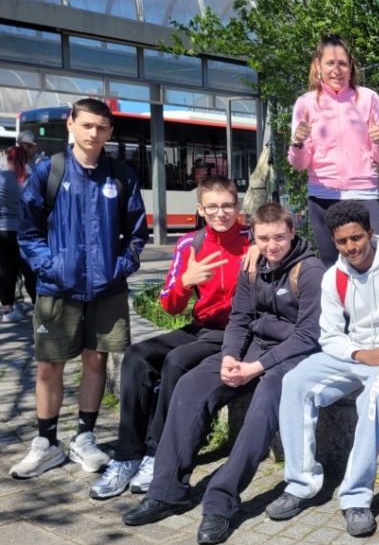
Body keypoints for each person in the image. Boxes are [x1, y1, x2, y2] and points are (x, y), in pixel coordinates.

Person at [121, 203, 324, 545]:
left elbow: (308, 335)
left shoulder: (310, 271)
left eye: (279, 237)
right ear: (254, 237)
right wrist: (230, 356)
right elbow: (240, 319)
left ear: (292, 232)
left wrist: (255, 368)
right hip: (253, 347)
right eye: (264, 238)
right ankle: (167, 491)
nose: (272, 245)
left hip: (294, 354)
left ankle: (221, 501)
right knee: (190, 384)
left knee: (265, 398)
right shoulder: (253, 265)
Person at [265, 200, 379, 538]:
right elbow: (330, 335)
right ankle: (300, 484)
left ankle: (355, 497)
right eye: (342, 241)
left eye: (357, 238)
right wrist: (357, 353)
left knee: (373, 398)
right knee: (294, 382)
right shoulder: (334, 278)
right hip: (354, 353)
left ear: (370, 232)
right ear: (334, 241)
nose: (351, 247)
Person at [10, 98, 148, 480]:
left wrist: (121, 266)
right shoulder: (49, 171)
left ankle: (84, 438)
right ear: (71, 124)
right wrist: (50, 266)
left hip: (107, 288)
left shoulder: (121, 176)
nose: (94, 133)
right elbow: (28, 231)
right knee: (49, 364)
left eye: (102, 127)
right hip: (58, 287)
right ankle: (46, 443)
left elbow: (137, 233)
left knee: (96, 359)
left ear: (110, 132)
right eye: (87, 125)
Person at [90, 176, 250, 500]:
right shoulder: (190, 244)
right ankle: (127, 456)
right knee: (137, 355)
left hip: (239, 333)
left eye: (227, 206)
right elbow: (169, 305)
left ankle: (157, 453)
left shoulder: (252, 240)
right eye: (212, 207)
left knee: (177, 362)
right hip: (203, 328)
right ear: (200, 209)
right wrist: (186, 281)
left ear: (238, 207)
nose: (220, 213)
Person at [287, 35, 379, 264]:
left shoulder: (369, 98)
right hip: (323, 196)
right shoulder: (305, 103)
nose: (337, 70)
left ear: (351, 65)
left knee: (378, 262)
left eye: (343, 63)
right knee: (333, 268)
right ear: (318, 65)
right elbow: (299, 164)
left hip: (364, 194)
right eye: (330, 63)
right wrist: (298, 143)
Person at [1, 146, 29, 322]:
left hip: (2, 229)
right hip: (22, 229)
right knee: (28, 269)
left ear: (7, 158)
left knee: (5, 270)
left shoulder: (1, 177)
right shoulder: (27, 180)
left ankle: (7, 310)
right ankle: (38, 305)